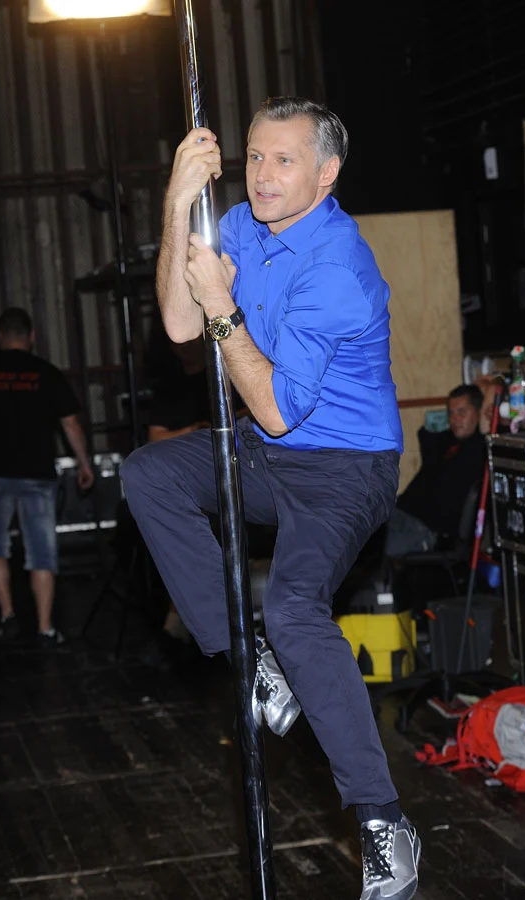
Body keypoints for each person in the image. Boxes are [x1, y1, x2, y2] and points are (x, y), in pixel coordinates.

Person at [120, 97, 420, 900]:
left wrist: (222, 305)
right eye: (254, 156)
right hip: (268, 453)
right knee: (148, 474)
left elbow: (280, 407)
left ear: (327, 173)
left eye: (284, 160)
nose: (262, 174)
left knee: (292, 607)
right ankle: (249, 661)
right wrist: (177, 201)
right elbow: (178, 325)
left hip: (346, 467)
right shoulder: (243, 227)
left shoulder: (339, 268)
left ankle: (384, 821)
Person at [0, 307, 94, 647]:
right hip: (37, 475)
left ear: (0, 336)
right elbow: (71, 424)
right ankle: (45, 628)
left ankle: (7, 615)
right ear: (31, 336)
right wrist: (84, 463)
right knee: (41, 552)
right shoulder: (46, 373)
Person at [385, 383, 486, 558]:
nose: (455, 419)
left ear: (478, 412)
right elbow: (425, 435)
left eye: (462, 412)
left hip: (427, 530)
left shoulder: (480, 448)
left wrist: (489, 384)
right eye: (451, 413)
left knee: (368, 552)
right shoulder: (447, 442)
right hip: (401, 513)